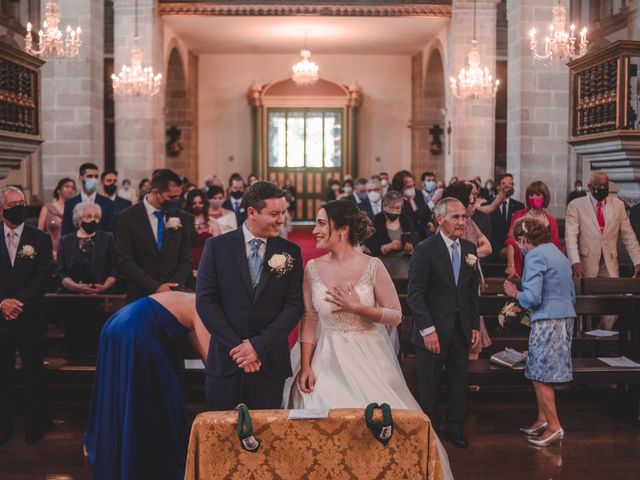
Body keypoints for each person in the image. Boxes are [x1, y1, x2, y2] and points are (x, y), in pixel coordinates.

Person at [290, 199, 453, 479]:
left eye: (320, 223)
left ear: (341, 229)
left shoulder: (372, 266)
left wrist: (358, 308)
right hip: (324, 358)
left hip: (368, 356)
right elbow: (310, 318)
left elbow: (395, 314)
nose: (314, 230)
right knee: (322, 426)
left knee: (377, 428)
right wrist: (305, 365)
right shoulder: (312, 268)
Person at [197, 181, 303, 410]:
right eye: (274, 213)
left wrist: (257, 346)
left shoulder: (290, 252)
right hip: (227, 359)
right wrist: (239, 348)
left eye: (283, 212)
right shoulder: (217, 247)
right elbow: (206, 302)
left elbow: (294, 306)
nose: (281, 219)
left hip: (269, 360)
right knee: (223, 435)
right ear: (252, 212)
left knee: (266, 438)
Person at [84, 291, 210, 480]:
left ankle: (127, 457)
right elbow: (212, 357)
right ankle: (152, 463)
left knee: (131, 397)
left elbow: (202, 350)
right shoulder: (204, 306)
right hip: (134, 330)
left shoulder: (190, 300)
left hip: (118, 324)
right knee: (166, 398)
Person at [407, 198, 480, 449]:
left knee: (459, 380)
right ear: (440, 219)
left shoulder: (469, 249)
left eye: (464, 217)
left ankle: (456, 427)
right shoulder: (425, 249)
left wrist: (474, 326)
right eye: (455, 217)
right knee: (429, 383)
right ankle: (431, 431)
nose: (462, 222)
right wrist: (428, 330)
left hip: (460, 328)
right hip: (432, 330)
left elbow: (471, 293)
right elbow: (415, 294)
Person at [503, 218, 576, 447]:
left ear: (524, 240)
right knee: (542, 370)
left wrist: (515, 293)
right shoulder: (558, 253)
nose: (519, 247)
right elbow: (571, 293)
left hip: (547, 320)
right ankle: (542, 419)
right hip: (565, 317)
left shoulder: (535, 256)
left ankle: (554, 426)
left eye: (519, 242)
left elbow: (532, 297)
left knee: (538, 373)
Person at [0, 186, 53, 445]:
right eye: (14, 203)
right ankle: (4, 425)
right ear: (2, 210)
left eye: (22, 202)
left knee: (34, 373)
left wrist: (18, 302)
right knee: (3, 374)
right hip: (1, 317)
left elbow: (44, 275)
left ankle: (36, 424)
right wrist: (2, 303)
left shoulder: (39, 238)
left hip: (29, 315)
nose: (20, 206)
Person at [565, 171, 640, 329]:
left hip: (609, 262)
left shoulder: (617, 205)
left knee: (614, 303)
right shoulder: (576, 205)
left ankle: (602, 335)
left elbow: (629, 237)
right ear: (590, 187)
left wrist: (638, 261)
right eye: (598, 186)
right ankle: (585, 339)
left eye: (605, 185)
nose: (602, 188)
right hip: (586, 262)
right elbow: (571, 237)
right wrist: (575, 262)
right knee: (583, 304)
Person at [116, 169, 193, 301]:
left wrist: (172, 286)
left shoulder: (180, 217)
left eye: (179, 196)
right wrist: (155, 287)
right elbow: (125, 260)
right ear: (156, 192)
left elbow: (185, 258)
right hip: (140, 293)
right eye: (171, 197)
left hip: (173, 295)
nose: (177, 201)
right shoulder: (128, 217)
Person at [56, 202, 117, 354]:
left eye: (96, 217)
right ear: (78, 219)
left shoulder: (108, 238)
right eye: (88, 216)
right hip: (73, 300)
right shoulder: (65, 241)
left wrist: (104, 287)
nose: (93, 220)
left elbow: (115, 268)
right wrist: (77, 287)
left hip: (102, 300)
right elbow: (61, 272)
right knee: (76, 345)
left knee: (99, 344)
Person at [442, 182, 492, 357]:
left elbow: (487, 247)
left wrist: (469, 255)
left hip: (470, 272)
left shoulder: (470, 223)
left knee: (473, 319)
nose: (474, 205)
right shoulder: (449, 224)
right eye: (471, 201)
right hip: (453, 281)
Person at [502, 181, 561, 279]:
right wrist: (511, 266)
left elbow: (556, 247)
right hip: (524, 264)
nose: (534, 197)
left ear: (545, 197)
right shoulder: (519, 216)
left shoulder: (551, 221)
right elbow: (511, 241)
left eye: (538, 194)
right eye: (531, 195)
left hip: (545, 267)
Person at [61, 163, 117, 236]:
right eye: (89, 176)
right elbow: (65, 232)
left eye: (96, 177)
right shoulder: (70, 203)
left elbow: (111, 232)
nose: (93, 179)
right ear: (81, 177)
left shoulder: (108, 204)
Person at [37, 177, 76, 260]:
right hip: (51, 251)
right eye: (67, 186)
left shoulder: (75, 209)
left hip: (71, 252)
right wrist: (48, 250)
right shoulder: (48, 208)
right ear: (58, 190)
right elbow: (40, 232)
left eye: (73, 188)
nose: (70, 190)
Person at [488, 173, 524, 262]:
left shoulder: (519, 206)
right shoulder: (487, 205)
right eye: (504, 183)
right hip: (492, 254)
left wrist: (510, 249)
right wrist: (499, 251)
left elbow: (521, 232)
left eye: (511, 184)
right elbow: (485, 232)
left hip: (513, 254)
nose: (508, 186)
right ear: (498, 186)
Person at [390, 170, 432, 239]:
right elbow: (412, 217)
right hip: (407, 240)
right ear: (400, 188)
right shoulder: (396, 202)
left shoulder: (418, 194)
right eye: (409, 187)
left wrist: (429, 223)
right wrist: (431, 203)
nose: (412, 189)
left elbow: (425, 214)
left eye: (413, 185)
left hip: (422, 237)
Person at [185, 189, 220, 271]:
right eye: (194, 203)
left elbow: (218, 249)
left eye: (200, 203)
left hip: (207, 265)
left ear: (204, 204)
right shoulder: (184, 222)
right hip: (188, 265)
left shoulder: (213, 223)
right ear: (190, 204)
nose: (197, 205)